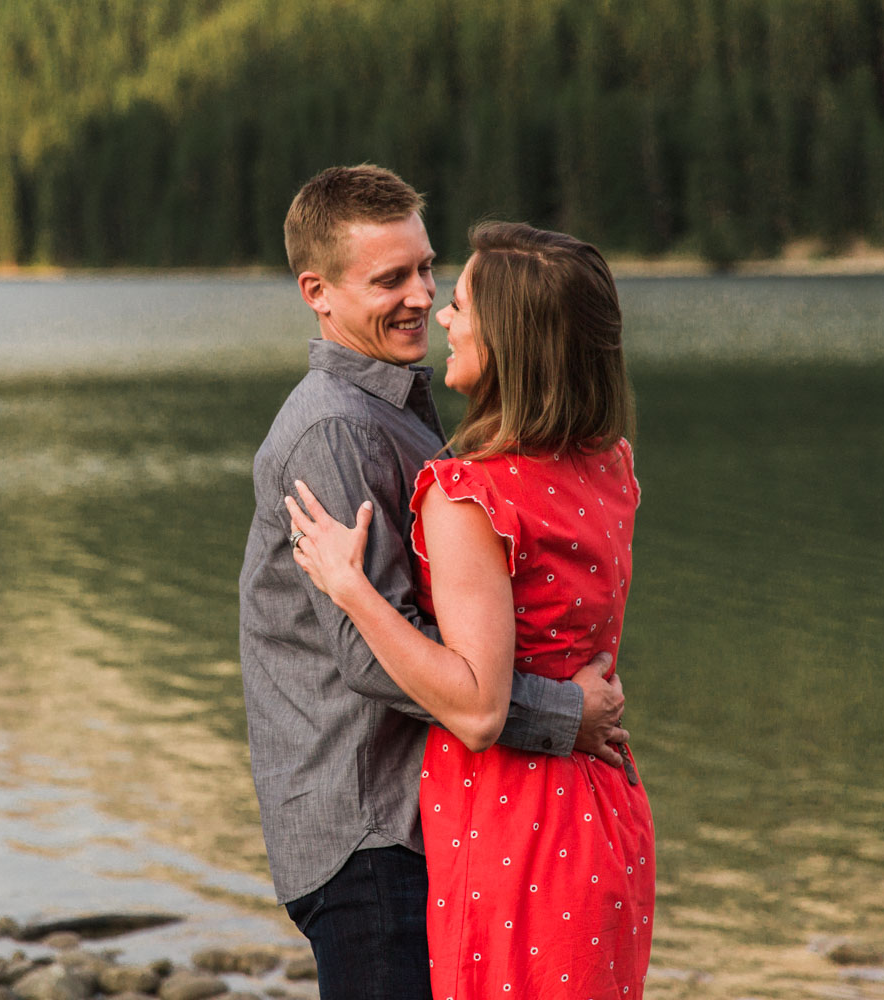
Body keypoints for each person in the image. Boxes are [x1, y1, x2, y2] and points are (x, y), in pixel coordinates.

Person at [237, 166, 630, 1000]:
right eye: (390, 280)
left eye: (426, 269)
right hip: (371, 828)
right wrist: (569, 713)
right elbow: (369, 657)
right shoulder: (334, 432)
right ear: (319, 291)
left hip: (424, 820)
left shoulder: (399, 404)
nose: (421, 296)